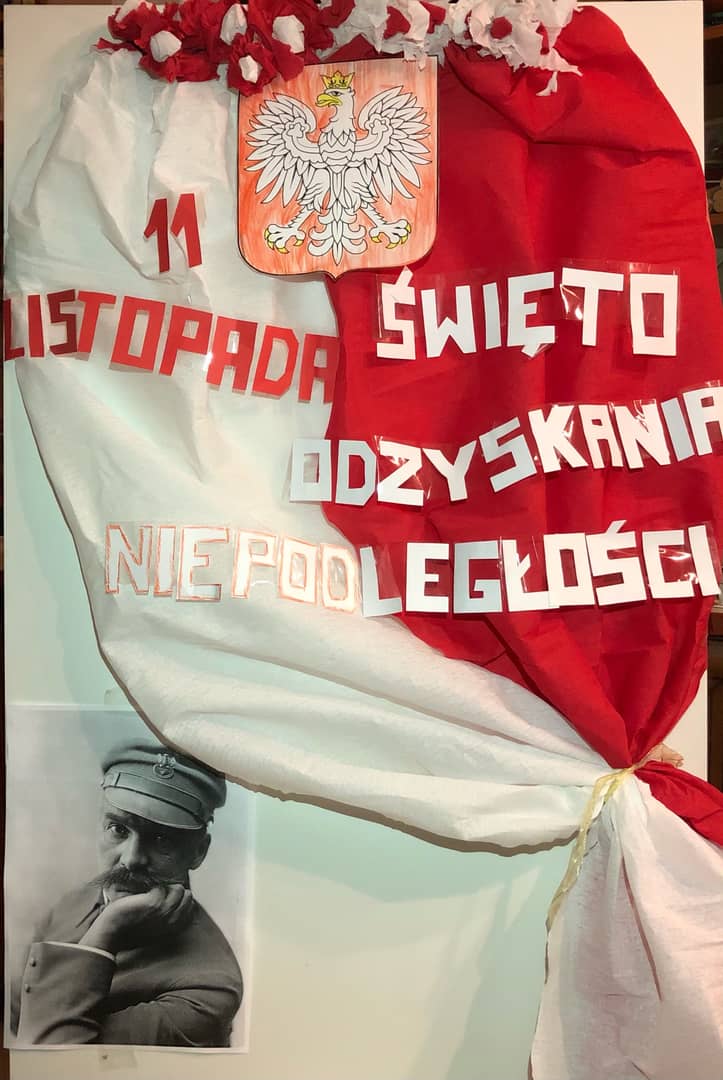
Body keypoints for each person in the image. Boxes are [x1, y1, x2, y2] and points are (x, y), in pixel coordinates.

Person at [12, 740, 243, 1047]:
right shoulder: (74, 904)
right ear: (101, 825)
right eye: (119, 829)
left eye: (161, 839)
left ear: (199, 851)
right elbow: (16, 1015)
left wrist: (108, 929)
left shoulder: (208, 990)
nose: (132, 858)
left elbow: (55, 1056)